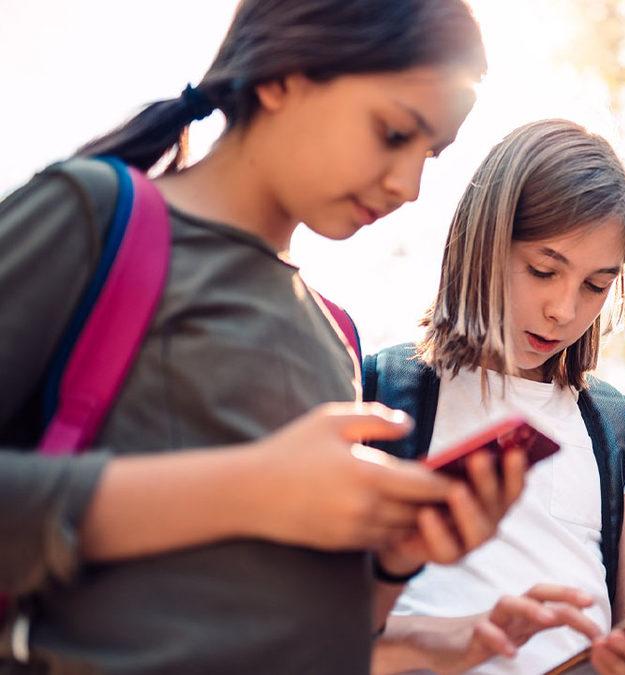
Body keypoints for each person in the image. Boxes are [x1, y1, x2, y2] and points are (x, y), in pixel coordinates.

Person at [0, 2, 526, 672]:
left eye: (432, 154)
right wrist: (251, 488)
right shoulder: (95, 215)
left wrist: (395, 559)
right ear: (284, 76)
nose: (411, 186)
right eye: (395, 133)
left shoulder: (337, 334)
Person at [369, 119, 625, 674]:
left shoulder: (618, 430)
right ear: (484, 241)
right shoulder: (379, 394)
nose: (564, 310)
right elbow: (317, 631)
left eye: (596, 285)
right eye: (543, 270)